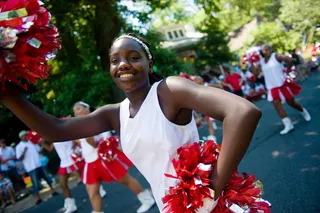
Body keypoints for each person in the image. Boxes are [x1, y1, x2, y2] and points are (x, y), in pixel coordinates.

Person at [0, 33, 262, 212]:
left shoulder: (169, 91)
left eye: (133, 57)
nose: (123, 64)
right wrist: (5, 87)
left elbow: (243, 112)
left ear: (149, 63)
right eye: (115, 60)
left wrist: (212, 190)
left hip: (213, 206)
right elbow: (55, 130)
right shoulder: (113, 114)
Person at [73, 101, 155, 213]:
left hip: (103, 159)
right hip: (90, 161)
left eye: (78, 109)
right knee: (92, 191)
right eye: (74, 111)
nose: (76, 112)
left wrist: (88, 137)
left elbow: (94, 143)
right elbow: (81, 142)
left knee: (125, 180)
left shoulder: (95, 119)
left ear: (86, 108)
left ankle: (147, 199)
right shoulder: (81, 125)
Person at [253, 44, 311, 134]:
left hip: (282, 84)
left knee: (292, 103)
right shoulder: (261, 62)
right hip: (272, 87)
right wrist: (254, 63)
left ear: (271, 49)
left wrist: (287, 71)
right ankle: (288, 125)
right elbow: (256, 75)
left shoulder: (276, 56)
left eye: (268, 48)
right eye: (265, 49)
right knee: (277, 105)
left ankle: (303, 111)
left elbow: (290, 60)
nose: (267, 50)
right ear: (262, 52)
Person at [15, 131, 58, 205]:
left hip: (39, 164)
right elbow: (19, 159)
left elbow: (39, 150)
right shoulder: (19, 147)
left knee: (47, 178)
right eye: (24, 136)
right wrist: (24, 152)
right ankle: (38, 198)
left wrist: (42, 143)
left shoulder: (32, 142)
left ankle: (53, 191)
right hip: (30, 167)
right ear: (21, 137)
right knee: (35, 182)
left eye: (26, 135)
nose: (26, 136)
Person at [40, 139, 81, 213]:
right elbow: (50, 149)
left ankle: (98, 191)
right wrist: (42, 143)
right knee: (62, 184)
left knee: (83, 179)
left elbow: (76, 141)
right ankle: (71, 205)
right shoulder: (53, 137)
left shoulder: (63, 133)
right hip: (64, 162)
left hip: (71, 159)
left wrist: (74, 147)